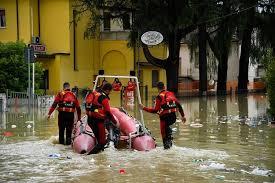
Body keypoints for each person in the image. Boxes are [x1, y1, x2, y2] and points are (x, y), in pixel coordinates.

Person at [139, 82, 186, 149]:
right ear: (164, 87)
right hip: (173, 117)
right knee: (167, 129)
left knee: (164, 135)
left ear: (157, 89)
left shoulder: (159, 97)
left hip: (165, 118)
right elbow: (178, 104)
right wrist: (183, 116)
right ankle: (169, 137)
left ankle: (166, 145)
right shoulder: (170, 93)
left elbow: (155, 110)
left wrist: (143, 108)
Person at [85, 82, 119, 154]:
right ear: (108, 90)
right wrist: (115, 122)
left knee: (99, 140)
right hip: (98, 122)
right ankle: (88, 156)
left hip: (90, 120)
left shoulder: (94, 93)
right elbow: (108, 112)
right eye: (110, 91)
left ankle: (98, 158)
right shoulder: (104, 98)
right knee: (102, 142)